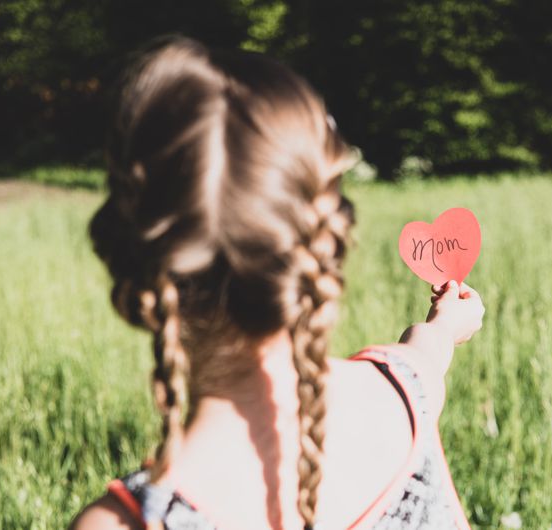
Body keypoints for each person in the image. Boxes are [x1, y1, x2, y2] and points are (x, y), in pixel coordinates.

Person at [72, 37, 484, 530]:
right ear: (323, 242)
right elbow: (428, 350)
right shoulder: (403, 394)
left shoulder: (126, 523)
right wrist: (447, 322)